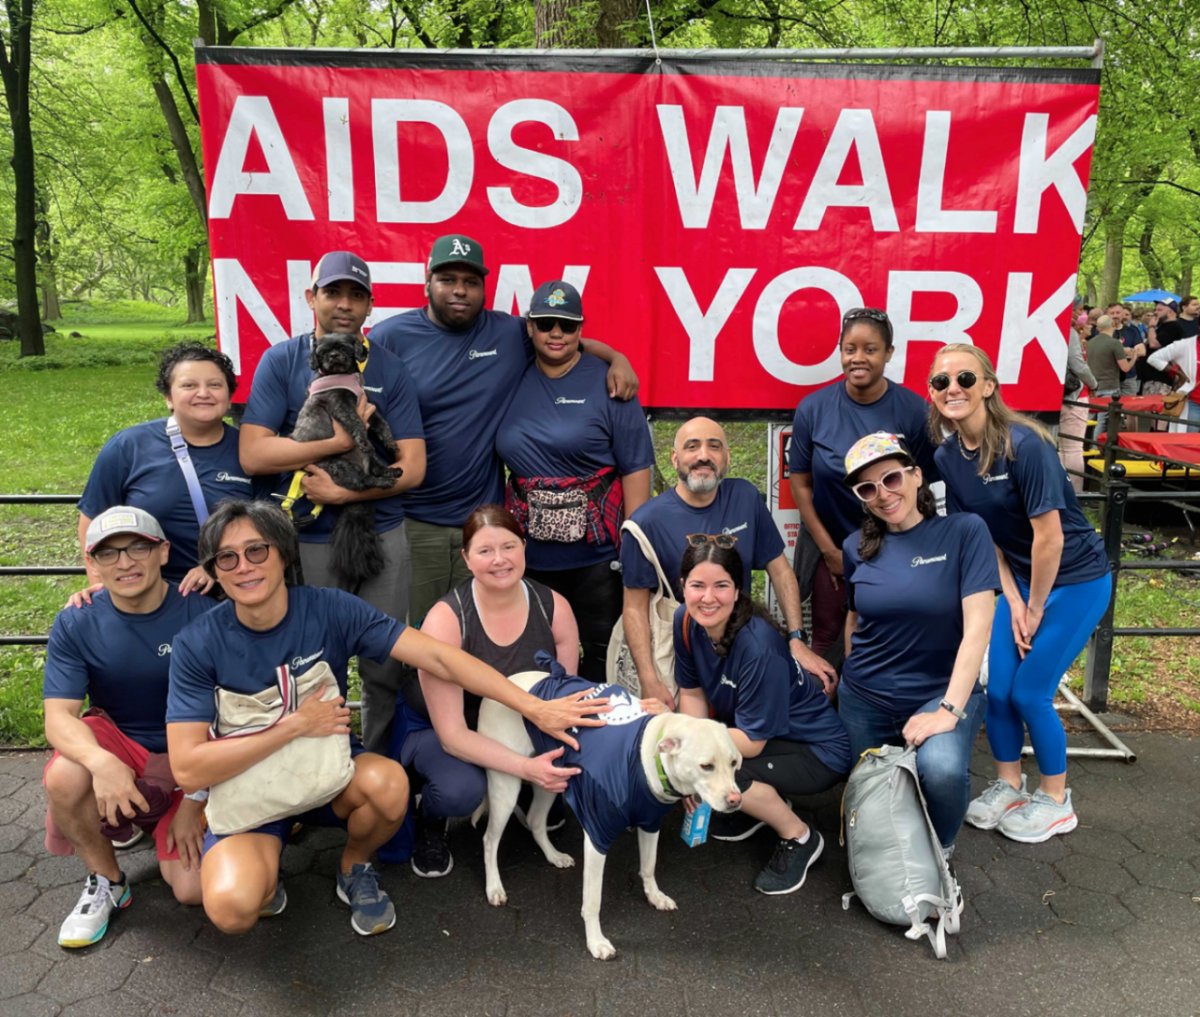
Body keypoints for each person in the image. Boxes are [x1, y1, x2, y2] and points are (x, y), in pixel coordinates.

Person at [165, 500, 614, 938]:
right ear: (214, 570)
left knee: (390, 784)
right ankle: (264, 868)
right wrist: (295, 726)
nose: (244, 566)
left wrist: (534, 706)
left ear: (283, 552)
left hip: (328, 773)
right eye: (226, 558)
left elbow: (440, 657)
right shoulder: (196, 643)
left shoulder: (330, 608)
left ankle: (352, 867)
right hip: (252, 793)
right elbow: (187, 766)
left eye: (256, 550)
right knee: (232, 908)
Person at [365, 235, 639, 629]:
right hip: (411, 521)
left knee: (483, 637)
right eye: (448, 279)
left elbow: (560, 339)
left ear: (484, 288)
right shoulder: (390, 338)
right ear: (427, 281)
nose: (460, 290)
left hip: (483, 523)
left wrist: (617, 358)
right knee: (411, 639)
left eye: (471, 281)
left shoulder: (508, 333)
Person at [239, 252, 427, 754]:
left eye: (355, 295)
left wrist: (349, 491)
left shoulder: (390, 367)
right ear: (311, 298)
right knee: (314, 663)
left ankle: (383, 767)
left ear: (370, 304)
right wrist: (337, 444)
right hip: (308, 538)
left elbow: (413, 465)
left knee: (385, 662)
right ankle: (321, 772)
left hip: (380, 531)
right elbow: (254, 453)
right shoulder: (281, 360)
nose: (344, 304)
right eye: (333, 292)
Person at [928, 344, 1111, 844]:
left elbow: (1048, 538)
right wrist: (1010, 598)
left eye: (964, 378)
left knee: (1031, 692)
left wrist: (1033, 607)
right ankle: (1010, 785)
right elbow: (985, 535)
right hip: (1022, 585)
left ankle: (1056, 801)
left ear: (988, 385)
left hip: (1076, 581)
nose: (953, 390)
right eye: (940, 383)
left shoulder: (1026, 444)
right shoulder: (947, 456)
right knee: (1001, 691)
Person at [42, 507, 214, 947]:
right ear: (92, 563)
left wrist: (195, 797)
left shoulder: (203, 612)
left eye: (138, 547)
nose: (124, 562)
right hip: (122, 743)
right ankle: (108, 881)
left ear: (162, 552)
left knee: (194, 892)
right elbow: (59, 716)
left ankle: (155, 815)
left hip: (192, 753)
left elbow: (234, 713)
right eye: (109, 553)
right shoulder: (77, 619)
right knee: (65, 774)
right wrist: (102, 763)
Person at [837, 433, 999, 855]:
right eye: (868, 488)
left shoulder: (965, 531)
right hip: (864, 698)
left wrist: (948, 710)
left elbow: (979, 627)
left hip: (938, 693)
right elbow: (855, 616)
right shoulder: (855, 547)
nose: (883, 494)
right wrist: (853, 678)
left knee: (942, 772)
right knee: (872, 798)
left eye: (891, 478)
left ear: (916, 475)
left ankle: (938, 854)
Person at [403, 505, 581, 877]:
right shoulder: (446, 619)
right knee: (460, 790)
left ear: (524, 547)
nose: (499, 560)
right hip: (443, 729)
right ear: (467, 559)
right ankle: (430, 820)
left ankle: (525, 803)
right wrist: (526, 768)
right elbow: (453, 735)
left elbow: (560, 702)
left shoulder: (555, 607)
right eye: (485, 551)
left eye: (509, 547)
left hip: (519, 725)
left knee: (564, 774)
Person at [497, 280, 654, 683]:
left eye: (566, 325)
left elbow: (636, 466)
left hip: (597, 560)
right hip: (526, 559)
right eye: (546, 323)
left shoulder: (610, 383)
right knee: (531, 661)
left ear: (580, 330)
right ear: (529, 327)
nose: (556, 333)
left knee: (604, 654)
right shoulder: (509, 373)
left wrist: (635, 546)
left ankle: (603, 741)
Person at [621, 416, 837, 709]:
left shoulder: (745, 497)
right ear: (674, 458)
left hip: (743, 644)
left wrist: (796, 639)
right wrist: (649, 679)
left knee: (807, 692)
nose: (703, 456)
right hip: (681, 652)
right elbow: (634, 608)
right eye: (692, 447)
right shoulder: (646, 522)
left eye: (714, 446)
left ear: (727, 458)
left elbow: (781, 570)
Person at [673, 539, 851, 894]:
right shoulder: (686, 622)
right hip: (770, 737)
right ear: (683, 587)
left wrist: (690, 762)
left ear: (738, 590)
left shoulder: (759, 648)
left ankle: (799, 836)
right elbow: (692, 693)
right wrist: (690, 748)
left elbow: (751, 745)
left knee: (728, 773)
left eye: (721, 586)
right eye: (697, 585)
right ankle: (758, 807)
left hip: (818, 751)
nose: (708, 598)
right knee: (712, 765)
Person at [789, 308, 939, 662]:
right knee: (828, 636)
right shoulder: (813, 409)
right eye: (849, 348)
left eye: (870, 349)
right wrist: (829, 551)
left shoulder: (915, 411)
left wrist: (908, 549)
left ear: (889, 353)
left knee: (894, 634)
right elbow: (801, 485)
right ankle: (825, 713)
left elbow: (924, 485)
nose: (858, 358)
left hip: (897, 548)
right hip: (834, 551)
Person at [77, 342, 264, 596]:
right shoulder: (129, 446)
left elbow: (267, 528)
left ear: (230, 395)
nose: (203, 393)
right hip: (150, 596)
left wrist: (215, 567)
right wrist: (100, 585)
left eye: (215, 385)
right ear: (168, 397)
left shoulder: (250, 451)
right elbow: (93, 519)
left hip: (233, 593)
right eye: (189, 385)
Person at [1088, 315, 1144, 441]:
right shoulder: (1114, 344)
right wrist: (1134, 357)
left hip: (1094, 386)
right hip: (1110, 386)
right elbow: (1125, 368)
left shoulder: (1090, 343)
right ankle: (1098, 448)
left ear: (1097, 328)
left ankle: (1085, 447)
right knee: (1103, 422)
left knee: (1090, 419)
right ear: (1113, 325)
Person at [1059, 315, 1098, 493]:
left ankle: (1059, 492)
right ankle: (1075, 495)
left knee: (1059, 448)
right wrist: (1093, 383)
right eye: (1079, 309)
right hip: (1073, 395)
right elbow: (1078, 365)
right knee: (1073, 448)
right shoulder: (1069, 332)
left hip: (1049, 395)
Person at [1138, 299, 1184, 401]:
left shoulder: (1173, 327)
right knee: (1149, 411)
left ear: (1170, 312)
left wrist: (1151, 327)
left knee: (1156, 410)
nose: (1155, 312)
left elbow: (1154, 344)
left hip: (1160, 378)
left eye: (1160, 310)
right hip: (1152, 377)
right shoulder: (1163, 327)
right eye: (1156, 309)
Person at [1107, 303, 1142, 396]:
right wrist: (1124, 351)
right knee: (1108, 408)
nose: (1115, 316)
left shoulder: (1132, 331)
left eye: (1118, 313)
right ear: (1108, 315)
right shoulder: (1102, 331)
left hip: (1129, 377)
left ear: (1122, 314)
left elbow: (1142, 351)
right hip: (1109, 378)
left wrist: (1129, 350)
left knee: (1128, 408)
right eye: (1112, 313)